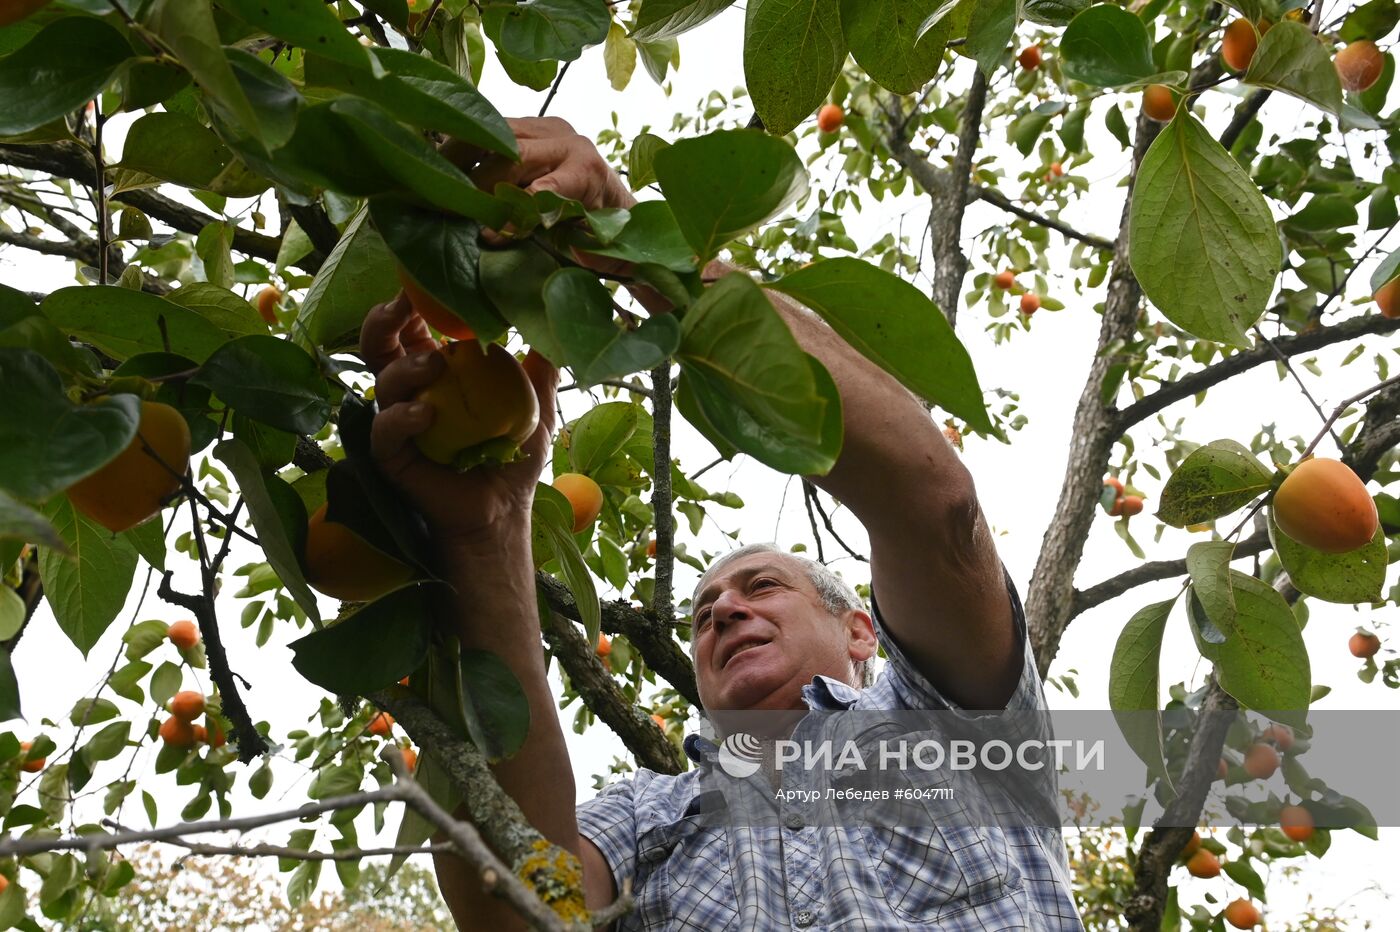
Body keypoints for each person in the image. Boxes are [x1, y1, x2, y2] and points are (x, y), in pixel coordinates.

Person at [361, 117, 1083, 930]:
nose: (724, 613)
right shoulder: (642, 819)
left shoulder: (950, 731)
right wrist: (482, 537)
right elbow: (523, 913)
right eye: (703, 616)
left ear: (859, 632)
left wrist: (636, 244)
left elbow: (935, 507)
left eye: (761, 588)